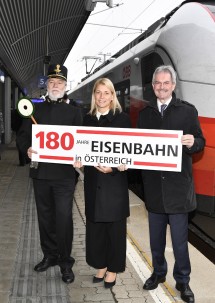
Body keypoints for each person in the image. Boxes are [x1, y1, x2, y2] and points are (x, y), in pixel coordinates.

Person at [137, 65, 205, 303]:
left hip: (178, 190)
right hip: (154, 189)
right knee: (156, 240)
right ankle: (158, 273)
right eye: (158, 83)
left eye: (166, 83)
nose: (162, 87)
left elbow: (201, 141)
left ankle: (183, 282)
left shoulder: (187, 111)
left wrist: (192, 142)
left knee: (179, 243)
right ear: (153, 86)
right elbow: (138, 148)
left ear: (173, 86)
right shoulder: (145, 114)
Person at [17, 64, 82, 284]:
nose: (56, 86)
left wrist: (79, 157)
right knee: (45, 218)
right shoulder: (35, 109)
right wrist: (27, 149)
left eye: (60, 83)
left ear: (65, 85)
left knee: (63, 219)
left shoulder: (75, 111)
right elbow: (23, 136)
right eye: (52, 82)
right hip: (41, 174)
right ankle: (49, 255)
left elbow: (82, 143)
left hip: (64, 176)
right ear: (48, 85)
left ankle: (65, 263)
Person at [74, 77, 131, 288]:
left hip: (114, 183)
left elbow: (130, 153)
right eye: (98, 92)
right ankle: (100, 265)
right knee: (96, 229)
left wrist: (114, 167)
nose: (102, 97)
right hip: (93, 183)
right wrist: (78, 160)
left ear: (113, 95)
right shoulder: (86, 119)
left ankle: (113, 269)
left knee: (114, 230)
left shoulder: (122, 119)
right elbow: (80, 148)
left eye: (106, 93)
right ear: (94, 95)